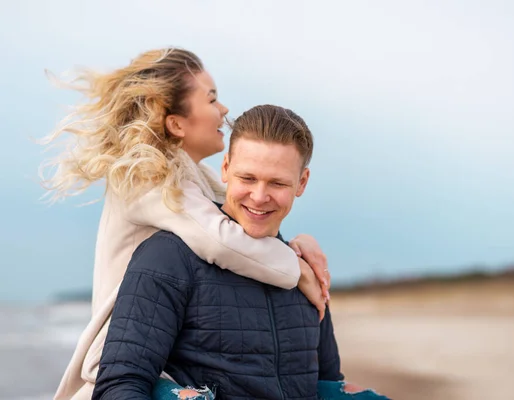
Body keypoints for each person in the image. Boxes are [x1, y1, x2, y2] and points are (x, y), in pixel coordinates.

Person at [40, 48, 331, 400]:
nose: (224, 110)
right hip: (123, 359)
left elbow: (243, 214)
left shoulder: (196, 179)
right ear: (176, 123)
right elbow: (221, 239)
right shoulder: (146, 178)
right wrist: (296, 269)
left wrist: (298, 242)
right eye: (211, 99)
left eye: (279, 183)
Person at [92, 105, 389, 400]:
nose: (259, 197)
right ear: (225, 169)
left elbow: (328, 383)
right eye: (248, 178)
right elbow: (119, 386)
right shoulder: (169, 258)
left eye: (277, 183)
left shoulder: (304, 273)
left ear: (302, 182)